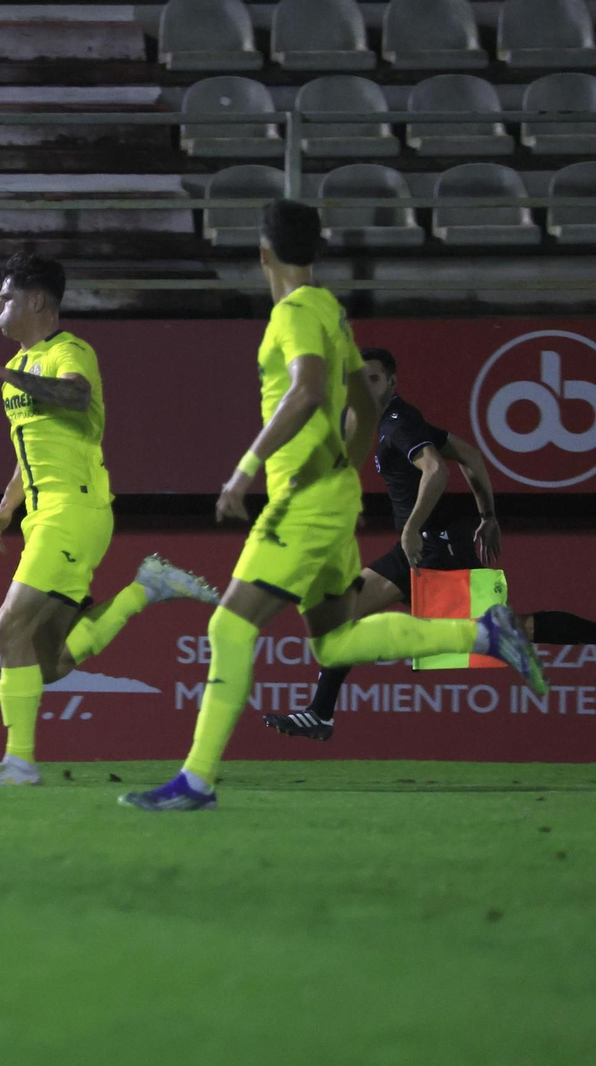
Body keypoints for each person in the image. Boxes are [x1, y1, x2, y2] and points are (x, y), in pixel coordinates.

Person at [120, 199, 548, 812]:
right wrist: (344, 471)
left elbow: (308, 388)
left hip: (300, 502)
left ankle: (195, 781)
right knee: (334, 642)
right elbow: (365, 409)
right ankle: (484, 630)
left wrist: (245, 469)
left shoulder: (293, 312)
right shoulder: (331, 311)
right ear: (314, 253)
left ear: (263, 254)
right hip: (330, 498)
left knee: (228, 624)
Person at [0, 252, 221, 787]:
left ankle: (19, 765)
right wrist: (6, 508)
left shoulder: (67, 351)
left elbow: (76, 396)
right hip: (47, 513)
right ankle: (144, 590)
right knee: (45, 664)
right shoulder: (19, 374)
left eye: (4, 297)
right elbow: (34, 452)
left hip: (73, 511)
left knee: (8, 631)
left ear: (36, 302)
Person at [264, 347, 596, 740]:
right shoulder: (397, 418)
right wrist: (488, 516)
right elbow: (470, 454)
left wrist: (411, 528)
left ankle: (320, 712)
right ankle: (320, 714)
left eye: (373, 379)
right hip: (421, 548)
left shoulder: (399, 424)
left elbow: (436, 471)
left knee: (509, 630)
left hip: (432, 550)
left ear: (391, 382)